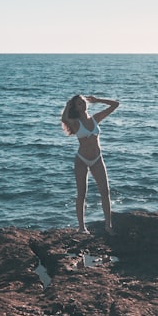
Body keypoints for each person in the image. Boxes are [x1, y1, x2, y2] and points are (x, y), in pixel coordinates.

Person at [61, 94, 120, 234]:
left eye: (84, 102)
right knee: (82, 194)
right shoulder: (75, 123)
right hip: (82, 159)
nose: (83, 105)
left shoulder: (95, 119)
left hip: (97, 159)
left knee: (105, 192)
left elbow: (115, 105)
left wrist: (98, 100)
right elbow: (64, 119)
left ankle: (108, 226)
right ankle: (82, 228)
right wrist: (67, 105)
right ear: (75, 107)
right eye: (79, 104)